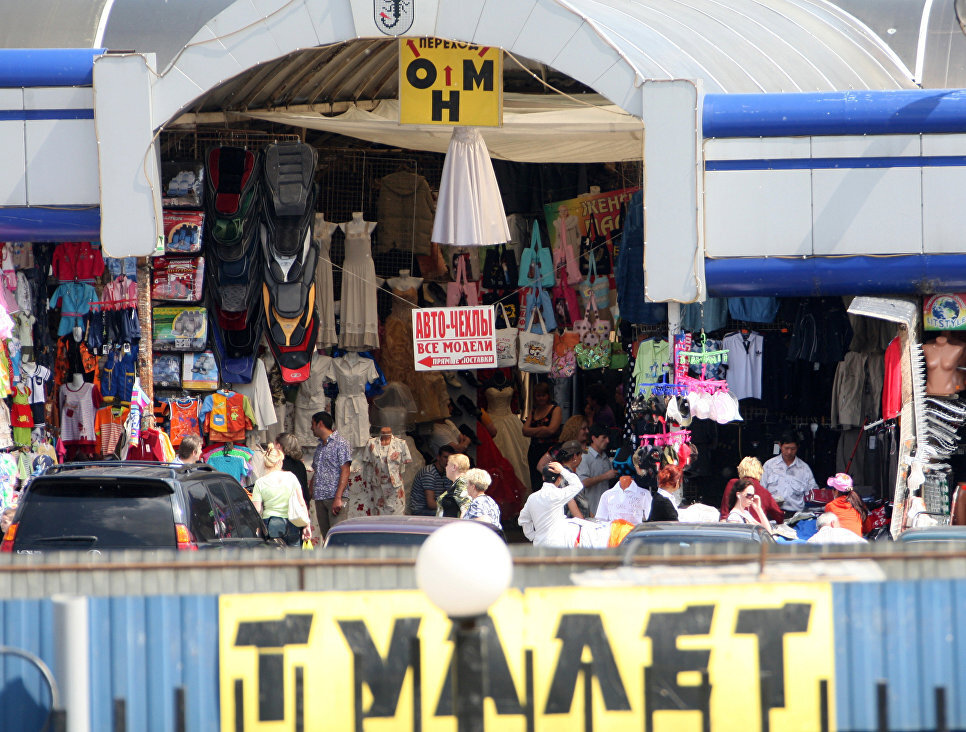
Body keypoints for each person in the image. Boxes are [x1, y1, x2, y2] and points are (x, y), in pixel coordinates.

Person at [251, 444, 311, 547]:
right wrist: (307, 525)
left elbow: (257, 510)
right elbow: (301, 503)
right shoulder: (291, 477)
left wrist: (258, 529)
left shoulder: (260, 483)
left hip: (270, 525)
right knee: (294, 559)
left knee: (275, 560)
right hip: (292, 522)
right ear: (279, 462)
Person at [517, 462, 587, 547]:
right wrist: (562, 470)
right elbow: (578, 485)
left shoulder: (532, 498)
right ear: (559, 479)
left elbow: (523, 520)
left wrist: (532, 536)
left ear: (543, 477)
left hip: (539, 544)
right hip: (558, 543)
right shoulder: (558, 495)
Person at [310, 411, 351, 538]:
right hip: (320, 498)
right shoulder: (319, 447)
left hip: (334, 497)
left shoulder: (341, 443)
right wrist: (308, 495)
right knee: (326, 537)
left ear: (320, 424)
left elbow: (345, 470)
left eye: (313, 424)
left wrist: (338, 498)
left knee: (337, 538)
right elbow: (316, 472)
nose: (311, 428)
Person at [761, 432, 819, 515]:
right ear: (780, 446)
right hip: (772, 512)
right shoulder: (769, 465)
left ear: (798, 447)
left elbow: (812, 493)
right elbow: (762, 490)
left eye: (793, 449)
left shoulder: (804, 468)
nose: (789, 452)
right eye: (786, 448)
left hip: (796, 514)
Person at [522, 383, 562, 493]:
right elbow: (525, 431)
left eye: (543, 395)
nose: (541, 398)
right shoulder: (534, 410)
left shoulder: (555, 409)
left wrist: (534, 431)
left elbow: (552, 430)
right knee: (536, 482)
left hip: (549, 451)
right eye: (538, 395)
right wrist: (543, 429)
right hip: (534, 450)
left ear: (548, 396)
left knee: (549, 480)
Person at [720, 456, 784, 523]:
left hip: (735, 526)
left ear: (740, 470)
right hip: (756, 530)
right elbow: (779, 517)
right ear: (759, 472)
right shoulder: (765, 492)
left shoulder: (733, 483)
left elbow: (725, 512)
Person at [576, 424, 617, 517]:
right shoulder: (584, 456)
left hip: (605, 510)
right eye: (604, 438)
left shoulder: (605, 456)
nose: (607, 441)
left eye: (608, 438)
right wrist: (605, 476)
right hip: (590, 510)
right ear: (594, 438)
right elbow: (583, 482)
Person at [410, 445, 454, 516]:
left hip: (435, 508)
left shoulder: (446, 472)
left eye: (450, 459)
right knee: (451, 514)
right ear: (438, 457)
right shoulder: (429, 473)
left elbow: (450, 495)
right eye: (445, 457)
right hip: (421, 510)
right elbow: (430, 504)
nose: (447, 461)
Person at [275, 431, 309, 506]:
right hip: (300, 505)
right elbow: (304, 488)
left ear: (278, 446)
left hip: (284, 507)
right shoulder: (300, 464)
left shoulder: (278, 464)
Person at [438, 452, 472, 517]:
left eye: (447, 465)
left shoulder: (461, 484)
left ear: (454, 467)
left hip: (453, 525)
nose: (446, 468)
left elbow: (466, 510)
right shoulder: (457, 483)